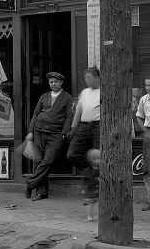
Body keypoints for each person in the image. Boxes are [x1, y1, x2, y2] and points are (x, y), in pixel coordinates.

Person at [24, 72, 74, 200]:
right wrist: (30, 132)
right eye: (51, 82)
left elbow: (69, 117)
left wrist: (63, 134)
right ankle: (42, 192)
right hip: (39, 131)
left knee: (48, 160)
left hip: (56, 134)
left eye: (55, 82)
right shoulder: (44, 96)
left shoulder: (67, 98)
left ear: (61, 82)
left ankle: (30, 183)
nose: (53, 84)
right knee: (39, 161)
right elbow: (35, 114)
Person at [66, 66, 102, 203]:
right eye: (85, 78)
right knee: (72, 154)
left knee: (98, 156)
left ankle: (94, 194)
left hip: (98, 126)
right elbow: (78, 112)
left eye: (89, 78)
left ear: (97, 77)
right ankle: (90, 170)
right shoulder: (85, 92)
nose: (86, 80)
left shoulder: (104, 91)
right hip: (83, 125)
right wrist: (73, 128)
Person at [134, 78, 150, 211]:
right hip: (149, 134)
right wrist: (145, 130)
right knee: (147, 168)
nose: (148, 87)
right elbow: (139, 116)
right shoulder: (144, 99)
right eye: (146, 85)